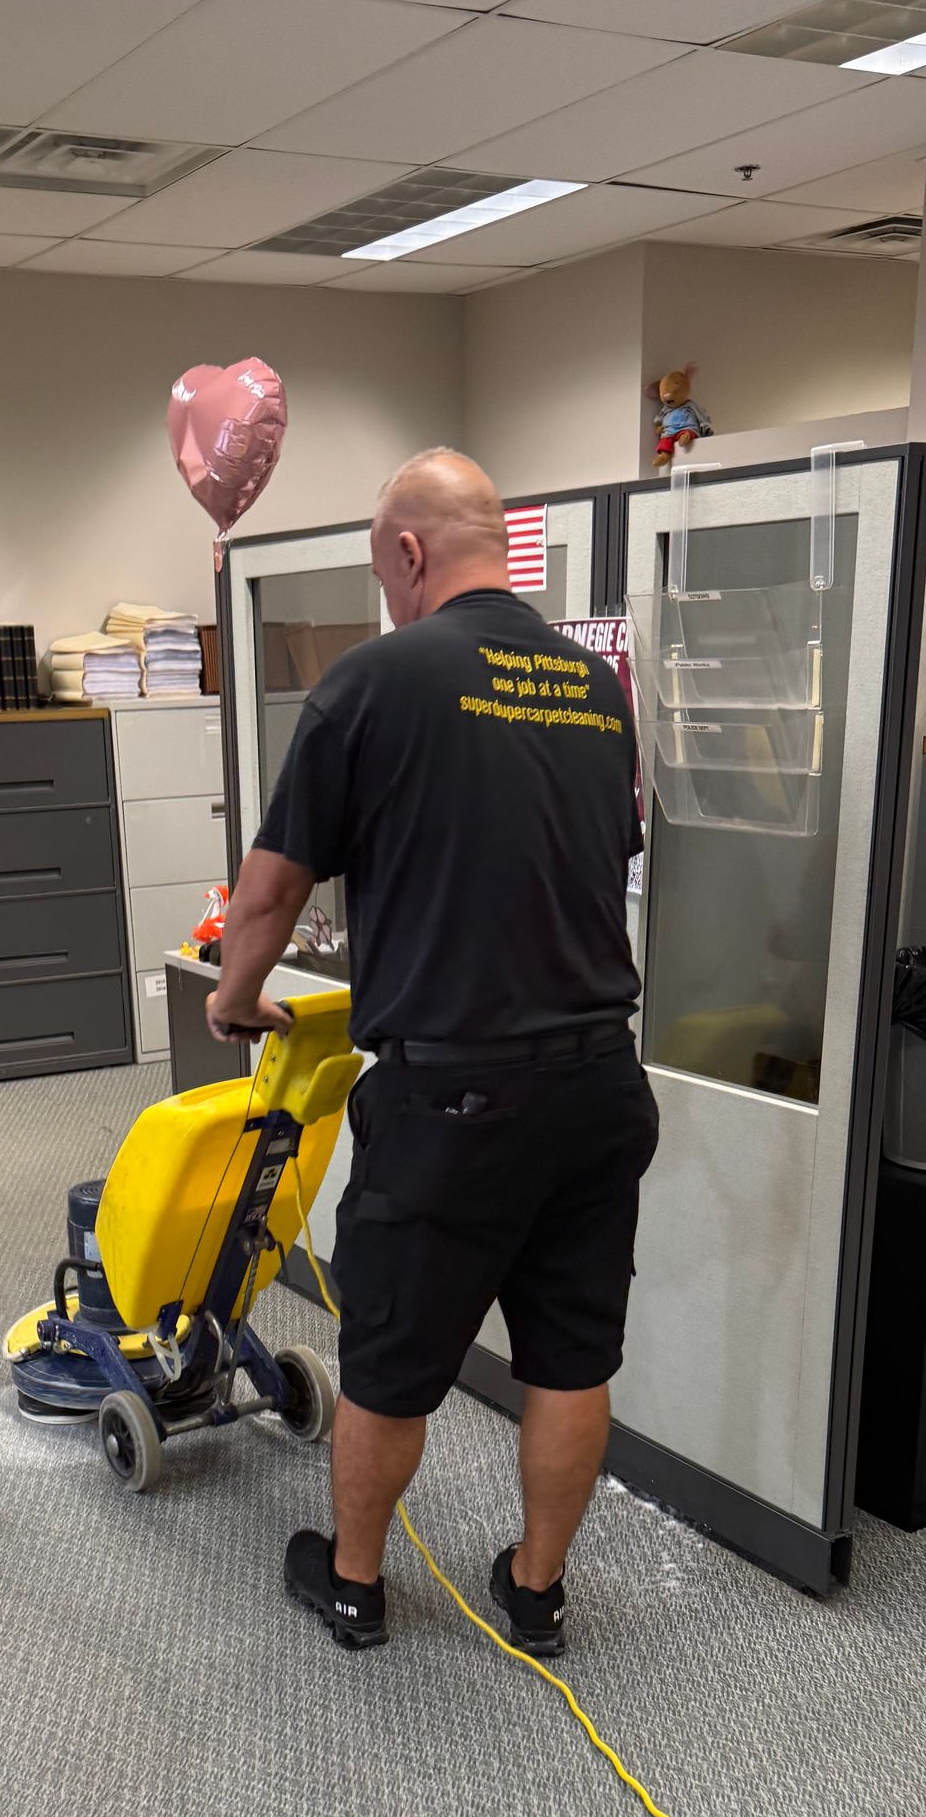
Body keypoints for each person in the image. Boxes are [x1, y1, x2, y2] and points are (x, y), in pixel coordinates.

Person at [208, 448, 656, 1657]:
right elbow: (596, 852)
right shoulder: (592, 685)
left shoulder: (372, 683)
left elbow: (264, 897)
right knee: (569, 1354)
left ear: (408, 554)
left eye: (383, 571)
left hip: (453, 1095)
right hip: (600, 1082)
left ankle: (354, 1584)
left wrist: (234, 999)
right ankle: (536, 1592)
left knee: (391, 1359)